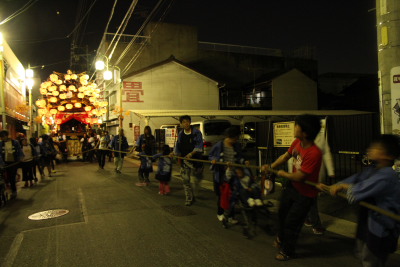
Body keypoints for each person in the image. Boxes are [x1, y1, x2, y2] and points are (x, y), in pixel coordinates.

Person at [325, 134, 400, 267]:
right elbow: (355, 179)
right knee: (363, 252)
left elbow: (359, 189)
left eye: (377, 148)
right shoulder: (373, 170)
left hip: (382, 228)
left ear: (388, 156)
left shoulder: (387, 175)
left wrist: (341, 186)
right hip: (368, 222)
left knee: (372, 259)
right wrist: (334, 186)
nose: (370, 149)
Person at [262, 114, 322, 261]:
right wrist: (271, 167)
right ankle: (282, 238)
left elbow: (300, 176)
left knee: (292, 223)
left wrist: (283, 174)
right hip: (292, 188)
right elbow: (285, 156)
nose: (294, 128)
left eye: (297, 126)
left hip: (305, 194)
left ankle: (288, 251)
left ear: (305, 132)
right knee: (282, 214)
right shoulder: (297, 143)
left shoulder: (314, 153)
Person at [209, 126, 249, 222]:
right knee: (222, 195)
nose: (235, 140)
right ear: (228, 136)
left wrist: (244, 161)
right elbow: (211, 155)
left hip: (233, 174)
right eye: (234, 138)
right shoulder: (219, 145)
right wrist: (214, 160)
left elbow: (240, 157)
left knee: (233, 195)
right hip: (221, 174)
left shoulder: (236, 145)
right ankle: (220, 213)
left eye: (236, 138)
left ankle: (231, 216)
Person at [170, 115, 204, 206]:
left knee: (195, 181)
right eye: (184, 122)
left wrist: (191, 153)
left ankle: (194, 194)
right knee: (185, 180)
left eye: (187, 121)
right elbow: (178, 145)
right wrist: (174, 153)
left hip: (196, 161)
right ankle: (189, 198)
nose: (186, 123)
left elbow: (199, 145)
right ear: (181, 124)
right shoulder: (181, 133)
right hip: (185, 161)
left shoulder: (196, 132)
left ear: (190, 122)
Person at [0, 130, 23, 199]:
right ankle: (7, 189)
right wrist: (1, 163)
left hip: (13, 162)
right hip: (5, 163)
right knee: (5, 178)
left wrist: (20, 157)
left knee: (12, 177)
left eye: (3, 136)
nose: (3, 138)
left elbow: (19, 150)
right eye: (1, 137)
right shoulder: (1, 144)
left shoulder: (15, 142)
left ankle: (14, 191)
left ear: (7, 136)